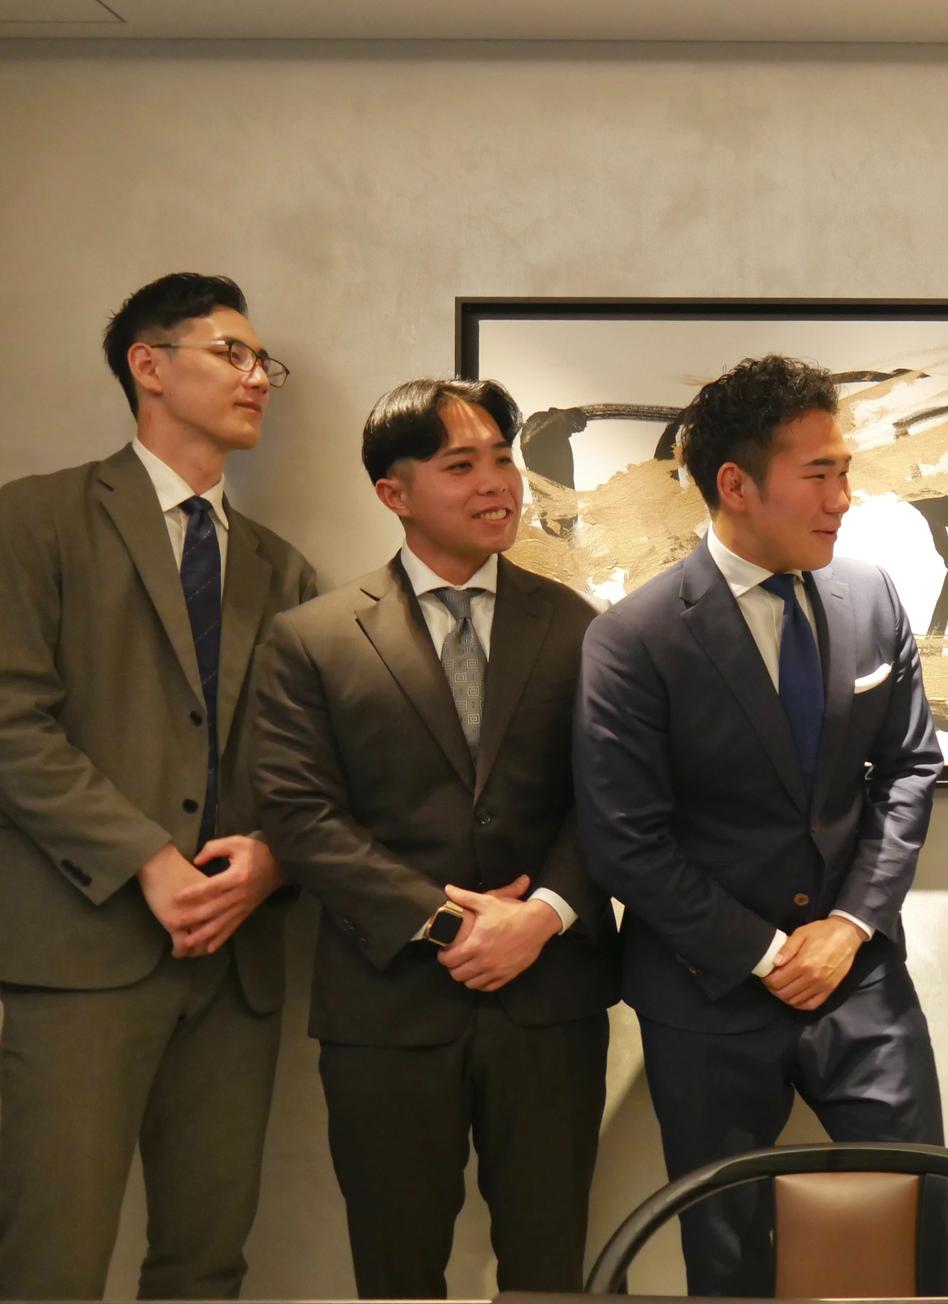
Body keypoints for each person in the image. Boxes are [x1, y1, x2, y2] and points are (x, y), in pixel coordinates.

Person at [574, 355, 948, 1297]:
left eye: (844, 472)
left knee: (913, 1236)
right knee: (729, 1258)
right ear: (736, 485)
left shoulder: (871, 595)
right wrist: (767, 952)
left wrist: (849, 926)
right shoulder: (634, 638)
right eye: (819, 475)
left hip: (862, 980)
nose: (842, 500)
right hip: (705, 991)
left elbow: (909, 768)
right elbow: (625, 840)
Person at [250, 378, 619, 1298]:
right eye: (461, 465)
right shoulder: (313, 638)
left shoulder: (576, 626)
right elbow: (300, 815)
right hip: (387, 1008)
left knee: (549, 1269)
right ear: (394, 492)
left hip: (551, 1001)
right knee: (397, 1270)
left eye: (503, 458)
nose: (498, 483)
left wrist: (542, 915)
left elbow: (609, 799)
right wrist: (449, 924)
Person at [0, 273, 316, 1299]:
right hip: (81, 951)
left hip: (237, 963)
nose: (257, 378)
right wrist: (145, 856)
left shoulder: (282, 568)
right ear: (149, 364)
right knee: (50, 1257)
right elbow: (9, 722)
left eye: (264, 362)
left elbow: (311, 763)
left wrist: (272, 858)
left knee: (207, 1261)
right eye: (233, 353)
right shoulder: (35, 520)